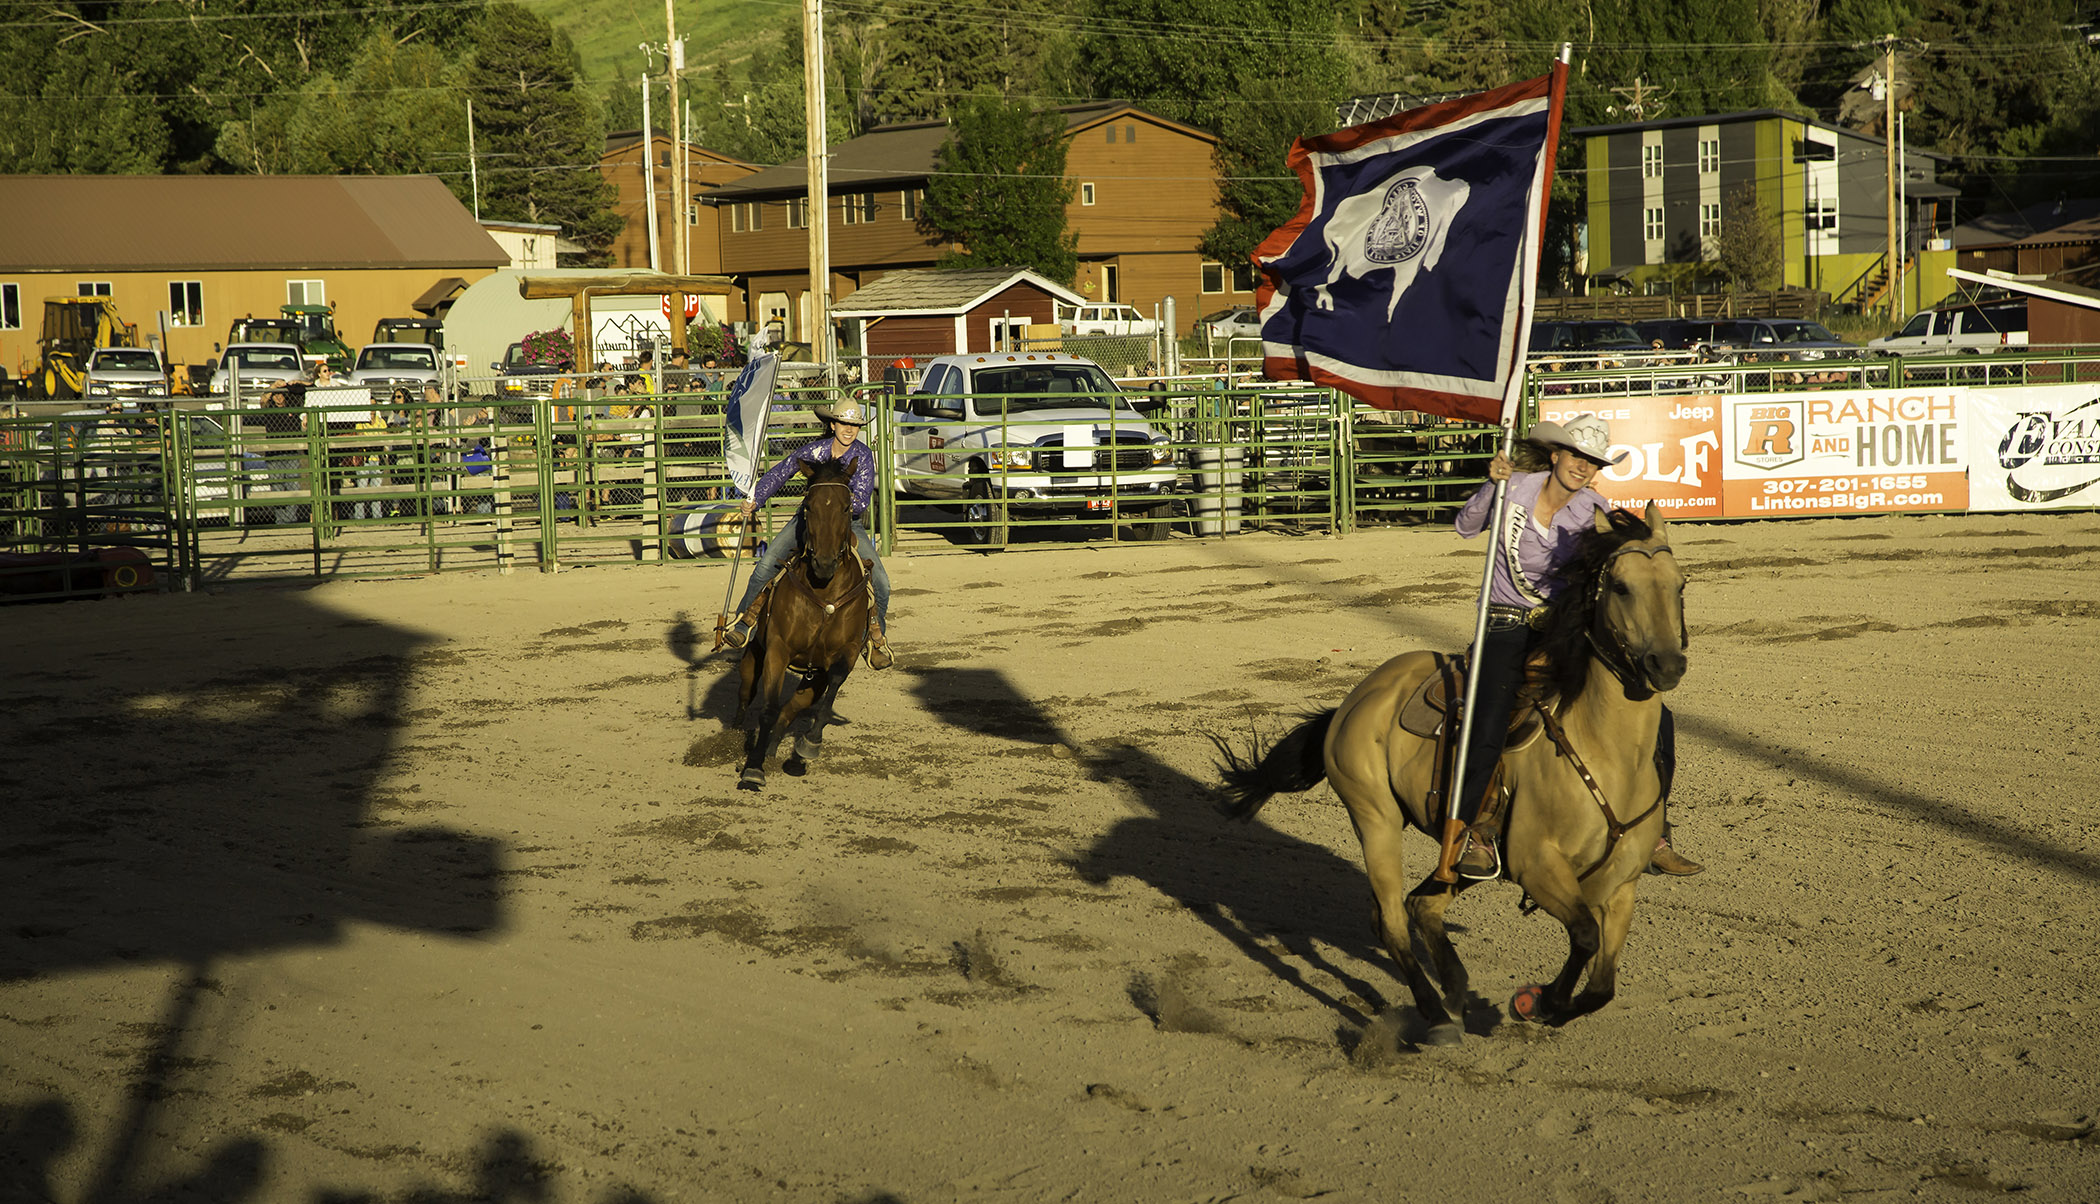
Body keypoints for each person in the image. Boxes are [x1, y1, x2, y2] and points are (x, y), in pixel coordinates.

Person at [1449, 414, 1701, 880]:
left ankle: (1657, 830)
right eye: (1577, 457)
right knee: (1490, 715)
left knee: (1655, 715)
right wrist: (1491, 486)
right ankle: (1475, 831)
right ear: (1556, 454)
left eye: (1593, 462)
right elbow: (1465, 527)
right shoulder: (1514, 488)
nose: (1583, 468)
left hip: (1561, 629)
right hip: (1506, 624)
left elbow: (1617, 560)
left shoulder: (1592, 510)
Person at [720, 399, 893, 668]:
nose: (849, 429)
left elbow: (861, 500)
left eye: (854, 425)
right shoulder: (815, 450)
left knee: (881, 581)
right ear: (833, 424)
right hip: (808, 519)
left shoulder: (863, 456)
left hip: (846, 523)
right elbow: (781, 472)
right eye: (844, 423)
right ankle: (745, 623)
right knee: (766, 564)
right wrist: (755, 498)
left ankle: (873, 638)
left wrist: (834, 500)